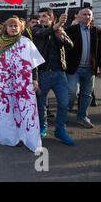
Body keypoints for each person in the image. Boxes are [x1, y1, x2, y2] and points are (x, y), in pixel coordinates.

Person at [0, 17, 44, 152]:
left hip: (22, 83)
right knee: (5, 110)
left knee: (22, 108)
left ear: (20, 28)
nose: (14, 28)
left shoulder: (26, 42)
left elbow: (33, 63)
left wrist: (35, 79)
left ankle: (23, 135)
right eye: (11, 26)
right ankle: (7, 136)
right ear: (5, 28)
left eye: (16, 26)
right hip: (3, 83)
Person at [32, 9, 74, 145]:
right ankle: (42, 127)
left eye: (44, 16)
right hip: (43, 73)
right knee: (41, 104)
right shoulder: (37, 29)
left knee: (64, 103)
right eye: (40, 17)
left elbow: (70, 45)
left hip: (59, 73)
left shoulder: (59, 30)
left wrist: (61, 34)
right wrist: (56, 26)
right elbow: (43, 33)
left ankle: (60, 130)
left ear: (51, 18)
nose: (41, 19)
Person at [65, 8, 101, 129]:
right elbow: (65, 49)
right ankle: (64, 114)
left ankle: (82, 117)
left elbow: (100, 50)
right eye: (84, 14)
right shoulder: (70, 30)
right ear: (78, 16)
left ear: (92, 17)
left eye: (89, 15)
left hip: (89, 68)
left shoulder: (96, 31)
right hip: (74, 68)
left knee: (87, 95)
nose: (87, 17)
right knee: (72, 92)